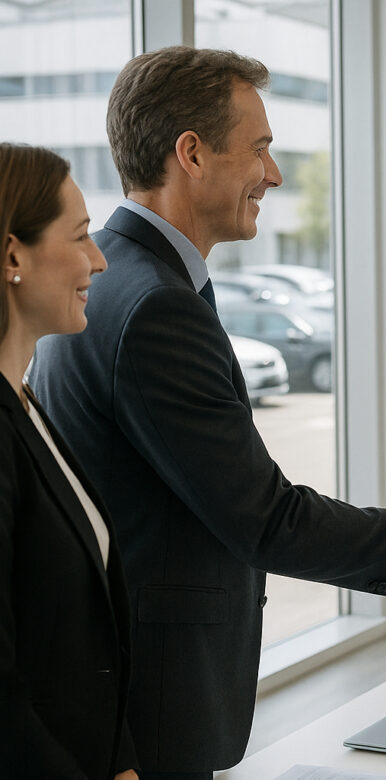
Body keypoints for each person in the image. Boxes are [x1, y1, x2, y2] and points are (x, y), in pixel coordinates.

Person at [28, 47, 386, 779]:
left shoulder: (109, 271)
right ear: (191, 154)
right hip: (149, 704)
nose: (274, 174)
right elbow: (267, 520)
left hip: (118, 687)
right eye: (259, 148)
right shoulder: (157, 305)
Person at [0, 144, 137, 778]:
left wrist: (121, 760)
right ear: (13, 257)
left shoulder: (26, 403)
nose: (99, 259)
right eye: (80, 235)